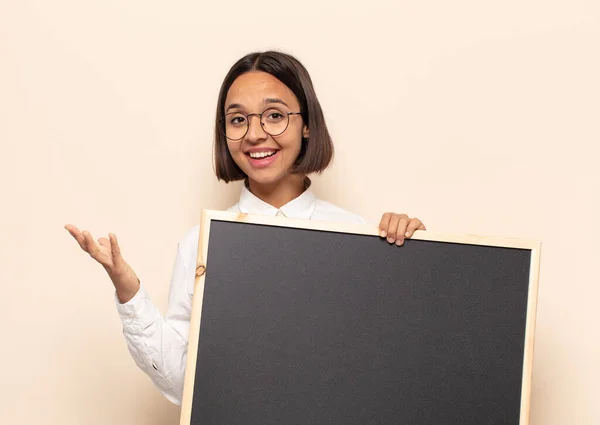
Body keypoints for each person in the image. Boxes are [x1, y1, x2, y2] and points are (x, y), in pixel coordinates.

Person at [64, 51, 426, 405]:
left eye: (274, 115)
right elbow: (181, 384)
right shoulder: (201, 245)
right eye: (238, 120)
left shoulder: (359, 236)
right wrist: (127, 289)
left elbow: (394, 369)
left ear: (307, 125)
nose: (255, 134)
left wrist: (423, 262)